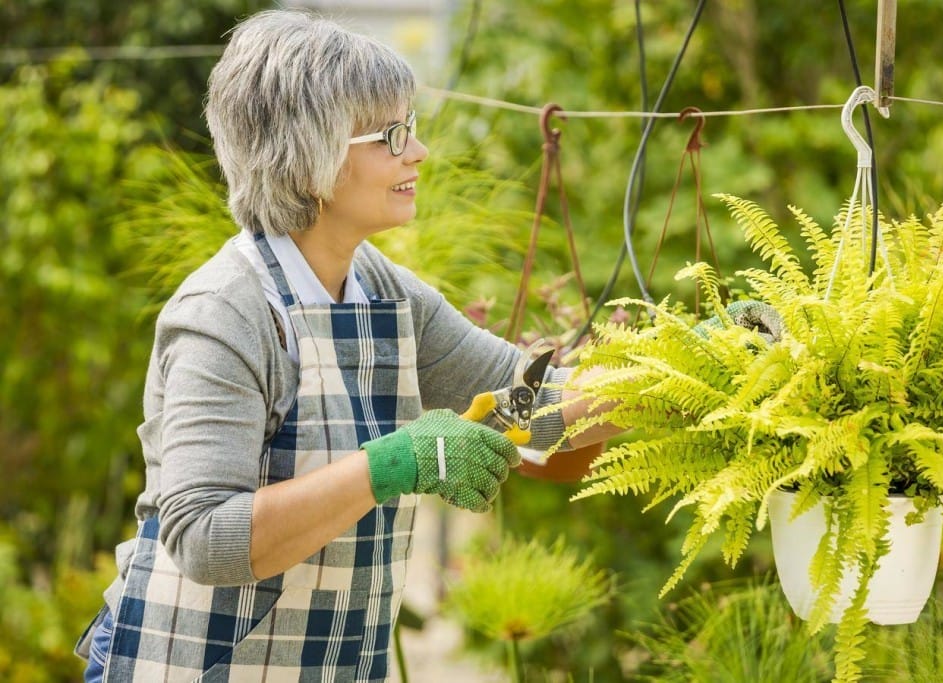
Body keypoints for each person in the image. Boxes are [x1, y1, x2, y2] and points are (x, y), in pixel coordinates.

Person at [75, 9, 614, 682]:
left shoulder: (384, 290)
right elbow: (206, 536)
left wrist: (691, 372)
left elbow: (532, 405)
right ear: (308, 158)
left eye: (411, 129)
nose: (418, 152)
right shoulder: (225, 312)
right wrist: (392, 464)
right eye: (391, 135)